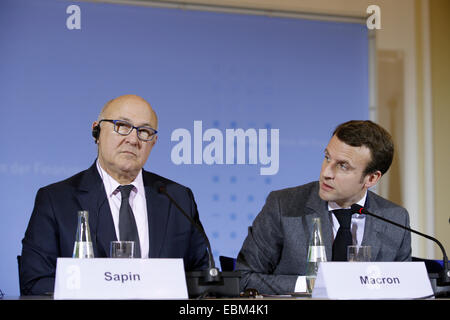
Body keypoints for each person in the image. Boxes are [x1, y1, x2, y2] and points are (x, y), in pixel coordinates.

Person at [20, 94, 209, 295]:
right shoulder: (56, 200)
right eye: (122, 126)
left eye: (144, 131)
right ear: (97, 131)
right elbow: (35, 282)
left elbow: (201, 278)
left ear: (153, 143)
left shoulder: (178, 199)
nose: (133, 139)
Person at [236, 120, 412, 295]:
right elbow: (243, 278)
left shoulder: (395, 219)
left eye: (343, 166)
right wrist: (312, 285)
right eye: (327, 157)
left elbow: (404, 289)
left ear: (371, 179)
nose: (326, 173)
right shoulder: (283, 206)